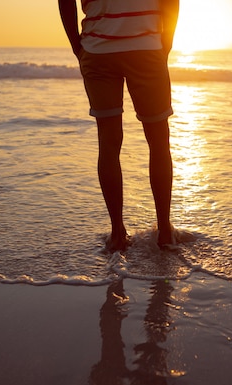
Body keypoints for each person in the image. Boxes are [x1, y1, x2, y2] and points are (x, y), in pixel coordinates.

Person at [58, 0, 180, 252]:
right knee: (158, 141)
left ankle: (117, 233)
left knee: (109, 143)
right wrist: (165, 42)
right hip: (145, 46)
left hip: (98, 49)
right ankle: (165, 231)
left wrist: (77, 45)